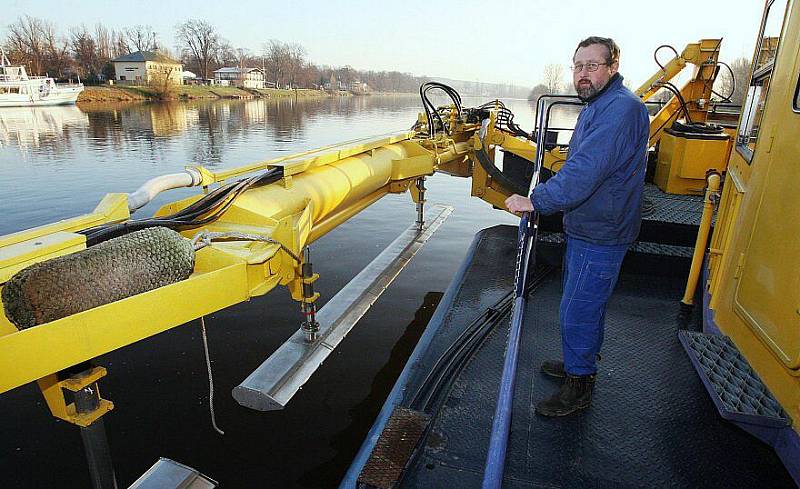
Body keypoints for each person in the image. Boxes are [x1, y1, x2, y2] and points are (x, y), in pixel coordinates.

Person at [505, 36, 649, 417]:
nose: (582, 74)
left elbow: (586, 172)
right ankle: (577, 364)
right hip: (590, 224)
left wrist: (536, 200)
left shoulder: (620, 110)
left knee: (578, 310)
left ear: (612, 67)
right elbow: (581, 162)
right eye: (578, 66)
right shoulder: (600, 105)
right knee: (584, 303)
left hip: (601, 231)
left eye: (592, 65)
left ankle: (579, 385)